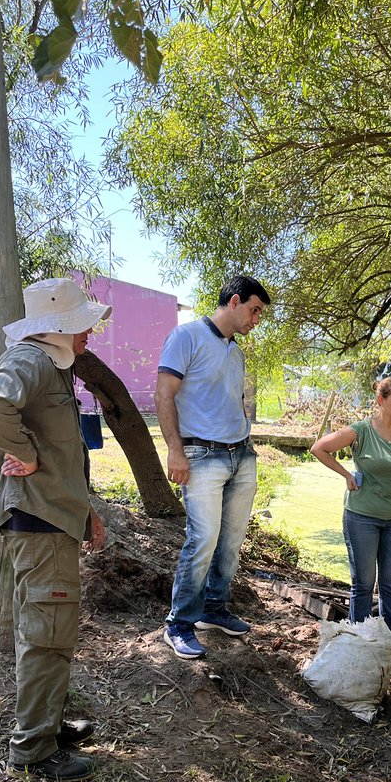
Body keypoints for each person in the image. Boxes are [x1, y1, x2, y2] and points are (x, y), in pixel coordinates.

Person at [0, 277, 109, 782]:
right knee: (46, 638)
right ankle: (33, 749)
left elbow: (64, 457)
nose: (89, 333)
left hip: (55, 518)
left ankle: (47, 726)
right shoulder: (30, 361)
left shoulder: (50, 367)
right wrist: (24, 454)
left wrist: (87, 510)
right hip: (39, 524)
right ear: (58, 327)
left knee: (52, 634)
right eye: (82, 325)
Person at [156, 275, 271, 659]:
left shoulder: (235, 351)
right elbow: (164, 393)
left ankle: (214, 609)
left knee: (231, 541)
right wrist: (175, 450)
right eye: (254, 310)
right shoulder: (186, 337)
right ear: (234, 301)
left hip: (241, 455)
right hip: (201, 456)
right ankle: (179, 624)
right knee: (202, 540)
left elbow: (231, 402)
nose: (257, 319)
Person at [311, 378, 391, 669]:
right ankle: (358, 641)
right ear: (381, 401)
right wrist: (347, 475)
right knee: (363, 585)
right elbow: (319, 448)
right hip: (361, 518)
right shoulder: (360, 431)